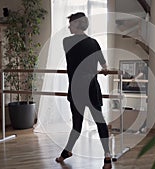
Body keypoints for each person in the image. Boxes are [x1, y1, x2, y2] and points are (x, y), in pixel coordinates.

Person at [55, 12, 112, 169]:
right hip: (90, 88)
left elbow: (97, 61)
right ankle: (106, 154)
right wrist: (105, 69)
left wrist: (104, 67)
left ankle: (68, 152)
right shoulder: (93, 43)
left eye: (71, 24)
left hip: (77, 89)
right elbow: (103, 63)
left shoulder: (67, 41)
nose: (69, 27)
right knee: (96, 122)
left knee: (77, 124)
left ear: (78, 24)